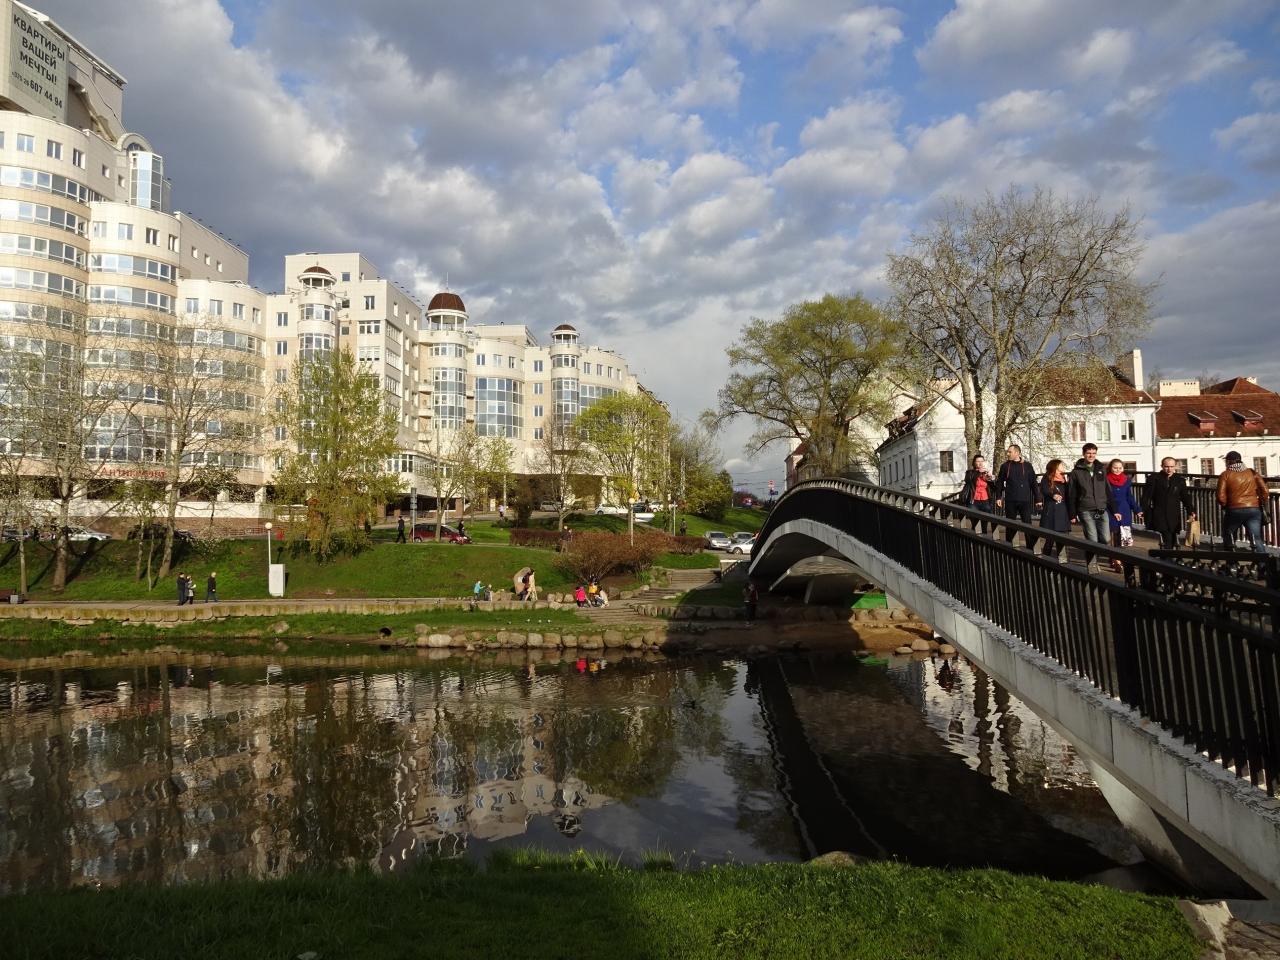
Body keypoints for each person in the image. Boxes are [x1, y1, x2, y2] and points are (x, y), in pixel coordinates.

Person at [1068, 443, 1116, 573]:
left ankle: (1093, 554)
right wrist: (1072, 514)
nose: (1091, 455)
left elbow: (1107, 490)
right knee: (1092, 539)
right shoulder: (1076, 472)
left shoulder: (1101, 469)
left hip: (1101, 508)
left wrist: (1114, 510)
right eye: (1089, 453)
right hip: (1085, 509)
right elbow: (1072, 494)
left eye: (1094, 453)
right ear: (1084, 454)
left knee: (1106, 539)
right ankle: (1092, 564)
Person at [1217, 451, 1270, 554]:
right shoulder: (1252, 473)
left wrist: (1225, 505)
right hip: (1253, 509)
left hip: (1234, 510)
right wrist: (1260, 502)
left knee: (1229, 536)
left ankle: (1232, 560)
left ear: (1228, 461)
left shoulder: (1225, 475)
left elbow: (1220, 497)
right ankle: (1262, 561)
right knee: (1256, 538)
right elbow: (1265, 491)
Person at [1143, 458, 1197, 550]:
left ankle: (1168, 554)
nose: (1169, 469)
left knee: (1173, 536)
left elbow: (1185, 496)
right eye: (1166, 466)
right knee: (1166, 536)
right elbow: (1146, 496)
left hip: (1174, 513)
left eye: (1172, 466)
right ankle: (1167, 555)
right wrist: (1143, 510)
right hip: (1160, 512)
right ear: (1162, 466)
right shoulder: (1154, 478)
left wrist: (1190, 510)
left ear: (1175, 466)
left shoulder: (1179, 480)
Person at [995, 445, 1041, 545]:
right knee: (1010, 524)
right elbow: (1000, 482)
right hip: (1010, 499)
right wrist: (998, 497)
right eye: (1008, 452)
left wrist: (1038, 499)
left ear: (1017, 453)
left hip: (1025, 500)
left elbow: (1033, 483)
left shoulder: (1027, 466)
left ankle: (1030, 547)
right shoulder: (1005, 466)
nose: (1008, 454)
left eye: (1010, 452)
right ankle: (1010, 545)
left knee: (1027, 524)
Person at [1105, 459, 1143, 572]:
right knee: (1114, 535)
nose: (1118, 470)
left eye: (1120, 468)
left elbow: (1129, 497)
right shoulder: (1105, 479)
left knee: (1123, 536)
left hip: (1124, 510)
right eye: (1115, 467)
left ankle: (1117, 558)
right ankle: (1116, 561)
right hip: (1110, 510)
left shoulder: (1126, 480)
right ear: (1110, 468)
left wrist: (1137, 510)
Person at [1038, 459, 1071, 562]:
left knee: (1063, 540)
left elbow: (1069, 494)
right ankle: (1045, 561)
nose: (1063, 466)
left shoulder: (1065, 478)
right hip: (1051, 512)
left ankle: (1063, 561)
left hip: (1063, 511)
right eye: (1061, 465)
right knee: (1049, 540)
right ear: (1055, 467)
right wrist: (1053, 495)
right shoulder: (1047, 478)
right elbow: (1044, 490)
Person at [960, 454, 996, 533]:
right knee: (975, 522)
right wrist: (978, 472)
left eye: (982, 461)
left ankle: (984, 538)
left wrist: (991, 478)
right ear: (974, 463)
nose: (980, 463)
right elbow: (969, 480)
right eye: (978, 461)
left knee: (985, 522)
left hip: (985, 500)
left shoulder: (986, 473)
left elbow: (994, 488)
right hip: (973, 500)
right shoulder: (970, 472)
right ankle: (974, 538)